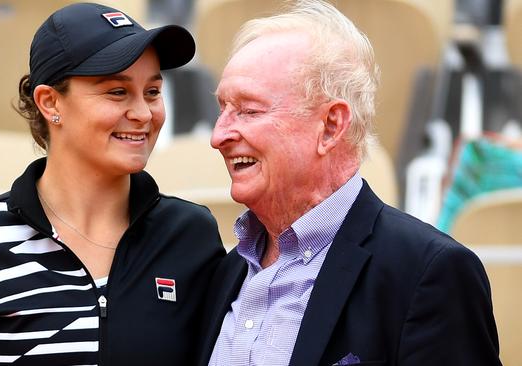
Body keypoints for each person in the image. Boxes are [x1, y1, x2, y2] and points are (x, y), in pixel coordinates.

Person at [0, 3, 224, 365]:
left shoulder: (191, 235)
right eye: (117, 92)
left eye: (152, 92)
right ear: (50, 102)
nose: (144, 114)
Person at [199, 1, 501, 365]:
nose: (219, 136)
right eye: (222, 110)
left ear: (331, 126)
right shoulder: (224, 272)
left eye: (248, 110)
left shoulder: (427, 273)